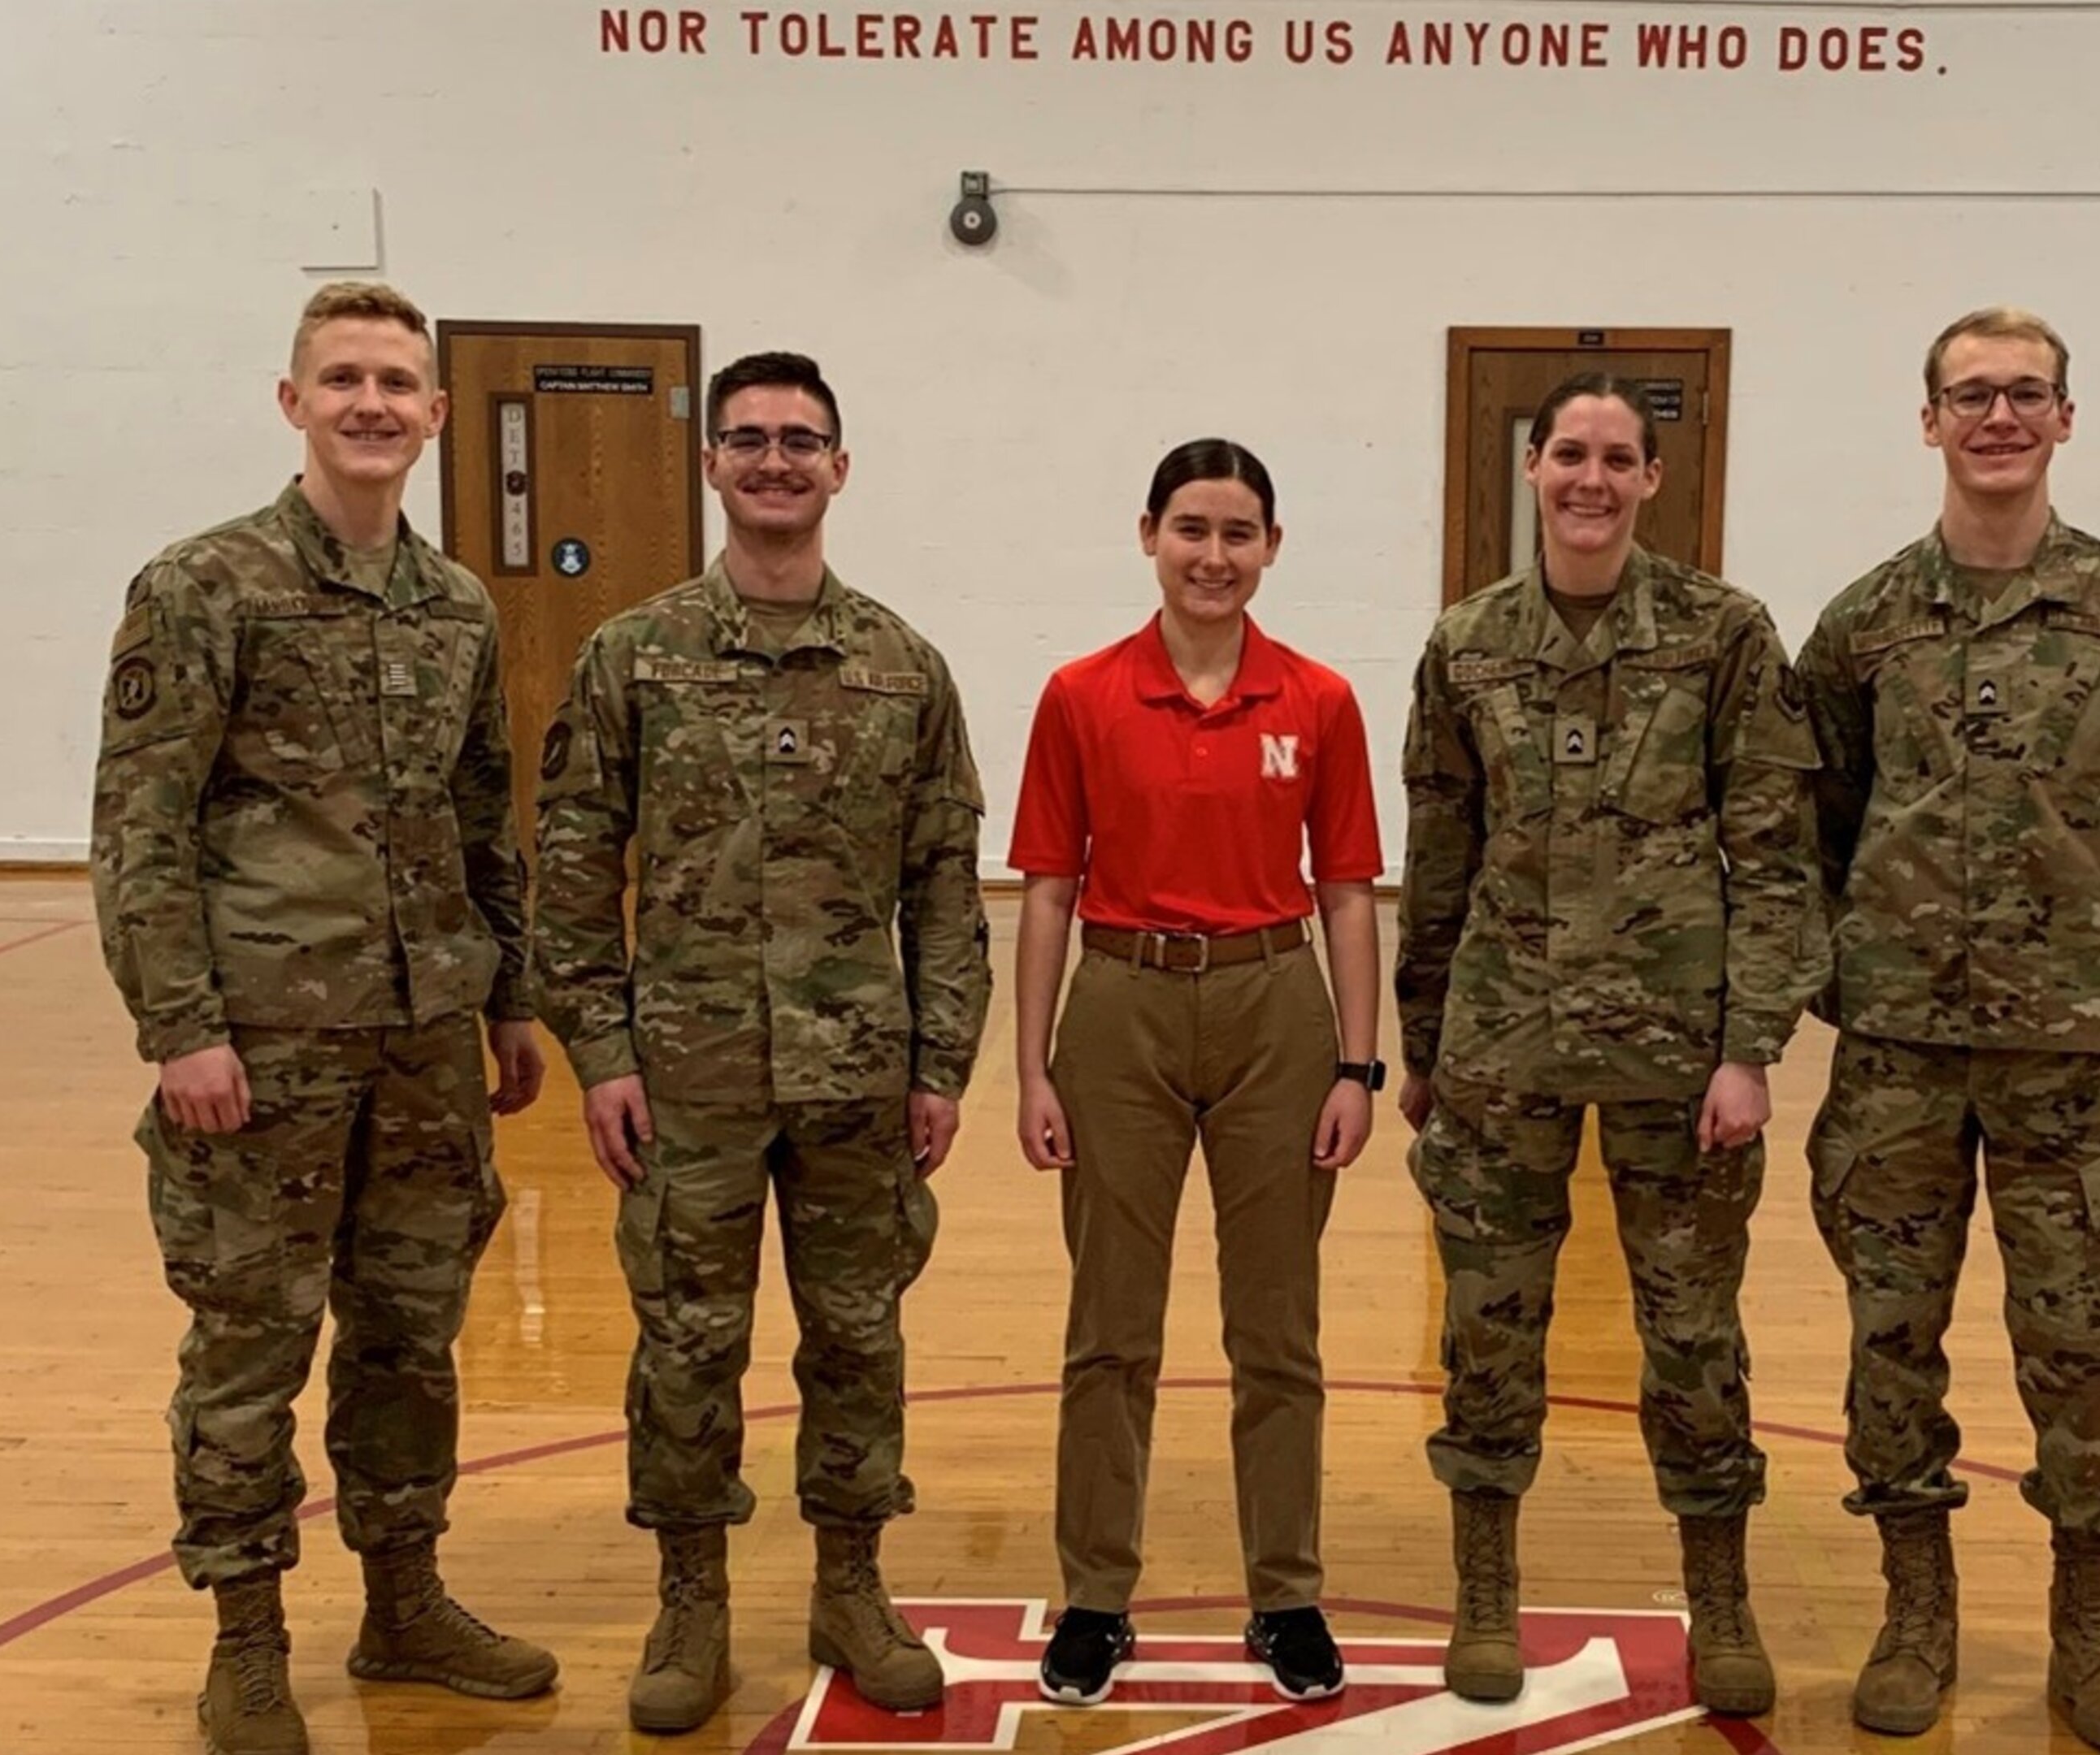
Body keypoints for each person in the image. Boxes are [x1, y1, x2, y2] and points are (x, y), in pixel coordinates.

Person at [89, 279, 557, 1755]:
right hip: (261, 1043)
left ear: (433, 414)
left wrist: (512, 1002)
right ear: (293, 403)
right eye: (343, 378)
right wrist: (180, 1028)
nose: (372, 404)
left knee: (411, 1337)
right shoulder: (203, 584)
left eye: (397, 383)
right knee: (251, 1340)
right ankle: (245, 1638)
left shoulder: (459, 605)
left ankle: (405, 1599)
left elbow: (486, 816)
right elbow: (139, 824)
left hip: (426, 1037)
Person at [529, 349, 994, 1734]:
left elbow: (947, 883)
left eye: (803, 440)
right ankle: (692, 1599)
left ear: (840, 469)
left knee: (859, 1341)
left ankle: (851, 1588)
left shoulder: (905, 669)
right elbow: (570, 865)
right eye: (751, 440)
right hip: (691, 1077)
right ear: (714, 466)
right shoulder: (636, 656)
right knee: (686, 1346)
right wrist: (603, 1052)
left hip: (859, 1079)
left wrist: (940, 1064)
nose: (778, 461)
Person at [1793, 306, 2100, 1751]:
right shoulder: (1863, 625)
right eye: (1969, 395)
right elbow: (1815, 811)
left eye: (2024, 394)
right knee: (1891, 1335)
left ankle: (2090, 1630)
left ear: (2064, 418)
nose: (1997, 417)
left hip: (2070, 1052)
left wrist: (2082, 935)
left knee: (2083, 1340)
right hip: (1900, 1046)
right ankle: (1916, 1614)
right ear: (1927, 422)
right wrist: (1885, 952)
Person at [1393, 374, 1827, 1714]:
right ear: (1531, 470)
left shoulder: (1723, 635)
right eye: (1568, 454)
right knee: (1489, 1326)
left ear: (1651, 479)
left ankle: (1724, 1597)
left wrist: (1751, 1046)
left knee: (1694, 1336)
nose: (1591, 478)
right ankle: (1485, 1590)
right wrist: (1422, 1043)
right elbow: (1440, 852)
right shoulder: (1466, 642)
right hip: (1503, 1046)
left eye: (1618, 458)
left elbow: (1772, 852)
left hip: (1677, 1054)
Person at [1008, 439, 1386, 1707]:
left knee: (1276, 1329)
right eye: (1190, 529)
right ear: (1148, 536)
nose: (1213, 555)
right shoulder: (1080, 694)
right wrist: (1033, 1070)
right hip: (1119, 1008)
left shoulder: (1322, 701)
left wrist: (1356, 1063)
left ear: (1272, 546)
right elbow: (1048, 887)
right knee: (1110, 1328)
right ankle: (1094, 1597)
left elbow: (1346, 890)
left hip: (1278, 1007)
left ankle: (1285, 1593)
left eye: (1238, 532)